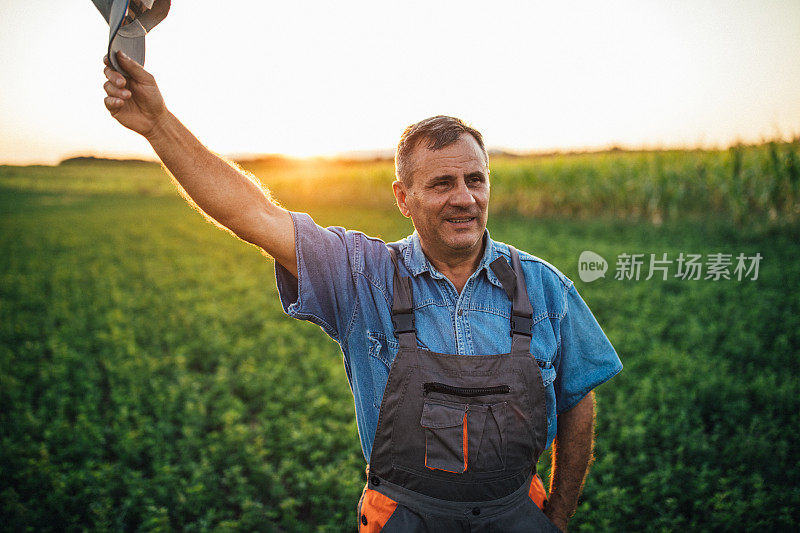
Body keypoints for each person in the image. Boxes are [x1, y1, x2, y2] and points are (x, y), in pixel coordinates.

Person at [102, 50, 622, 532]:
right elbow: (253, 214)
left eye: (475, 179)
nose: (464, 198)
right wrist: (157, 124)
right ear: (404, 197)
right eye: (442, 184)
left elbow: (576, 398)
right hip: (405, 517)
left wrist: (557, 517)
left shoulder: (545, 288)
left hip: (518, 514)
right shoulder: (363, 276)